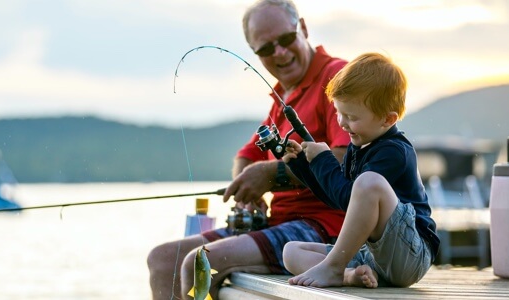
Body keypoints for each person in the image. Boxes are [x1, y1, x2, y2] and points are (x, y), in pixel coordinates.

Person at [147, 0, 351, 299]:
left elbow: (347, 159)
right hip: (278, 224)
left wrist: (273, 175)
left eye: (285, 39)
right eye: (266, 49)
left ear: (303, 29)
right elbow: (246, 155)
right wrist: (247, 193)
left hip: (323, 229)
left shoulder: (336, 78)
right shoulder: (282, 97)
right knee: (163, 259)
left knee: (195, 263)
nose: (279, 52)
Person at [280, 52, 440, 288]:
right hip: (372, 255)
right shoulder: (359, 146)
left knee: (368, 183)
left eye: (351, 117)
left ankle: (333, 268)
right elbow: (338, 197)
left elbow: (350, 194)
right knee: (291, 251)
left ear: (387, 119)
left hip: (410, 255)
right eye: (338, 112)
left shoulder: (394, 152)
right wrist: (303, 164)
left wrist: (324, 158)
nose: (342, 123)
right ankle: (349, 275)